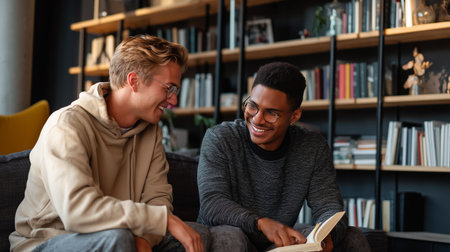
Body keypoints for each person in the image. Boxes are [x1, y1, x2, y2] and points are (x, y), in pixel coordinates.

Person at [10, 35, 209, 252]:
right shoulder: (66, 125)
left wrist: (144, 238)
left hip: (119, 236)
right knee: (117, 239)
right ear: (134, 81)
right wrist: (165, 221)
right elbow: (77, 211)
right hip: (48, 241)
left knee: (200, 235)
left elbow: (158, 199)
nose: (174, 101)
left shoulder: (151, 134)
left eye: (175, 91)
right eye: (169, 88)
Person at [197, 62, 371, 251]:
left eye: (271, 113)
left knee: (352, 237)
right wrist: (261, 223)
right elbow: (212, 203)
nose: (257, 119)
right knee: (231, 238)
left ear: (294, 116)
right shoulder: (220, 138)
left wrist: (327, 235)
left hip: (277, 241)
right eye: (252, 106)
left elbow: (328, 206)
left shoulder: (312, 147)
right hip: (226, 233)